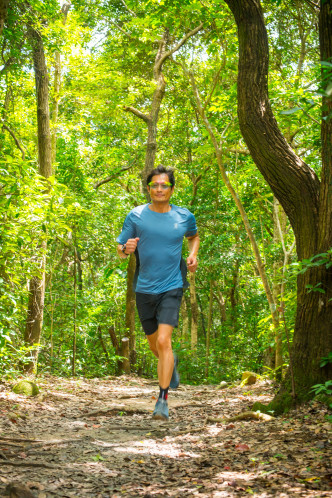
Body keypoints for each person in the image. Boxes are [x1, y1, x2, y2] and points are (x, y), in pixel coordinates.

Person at [116, 165, 199, 421]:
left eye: (164, 185)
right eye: (155, 185)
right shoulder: (136, 215)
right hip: (144, 288)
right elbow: (121, 249)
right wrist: (126, 249)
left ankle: (162, 400)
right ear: (148, 188)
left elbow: (193, 237)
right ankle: (170, 366)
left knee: (164, 341)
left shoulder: (184, 216)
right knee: (155, 345)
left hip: (173, 286)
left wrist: (193, 254)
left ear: (172, 189)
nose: (159, 189)